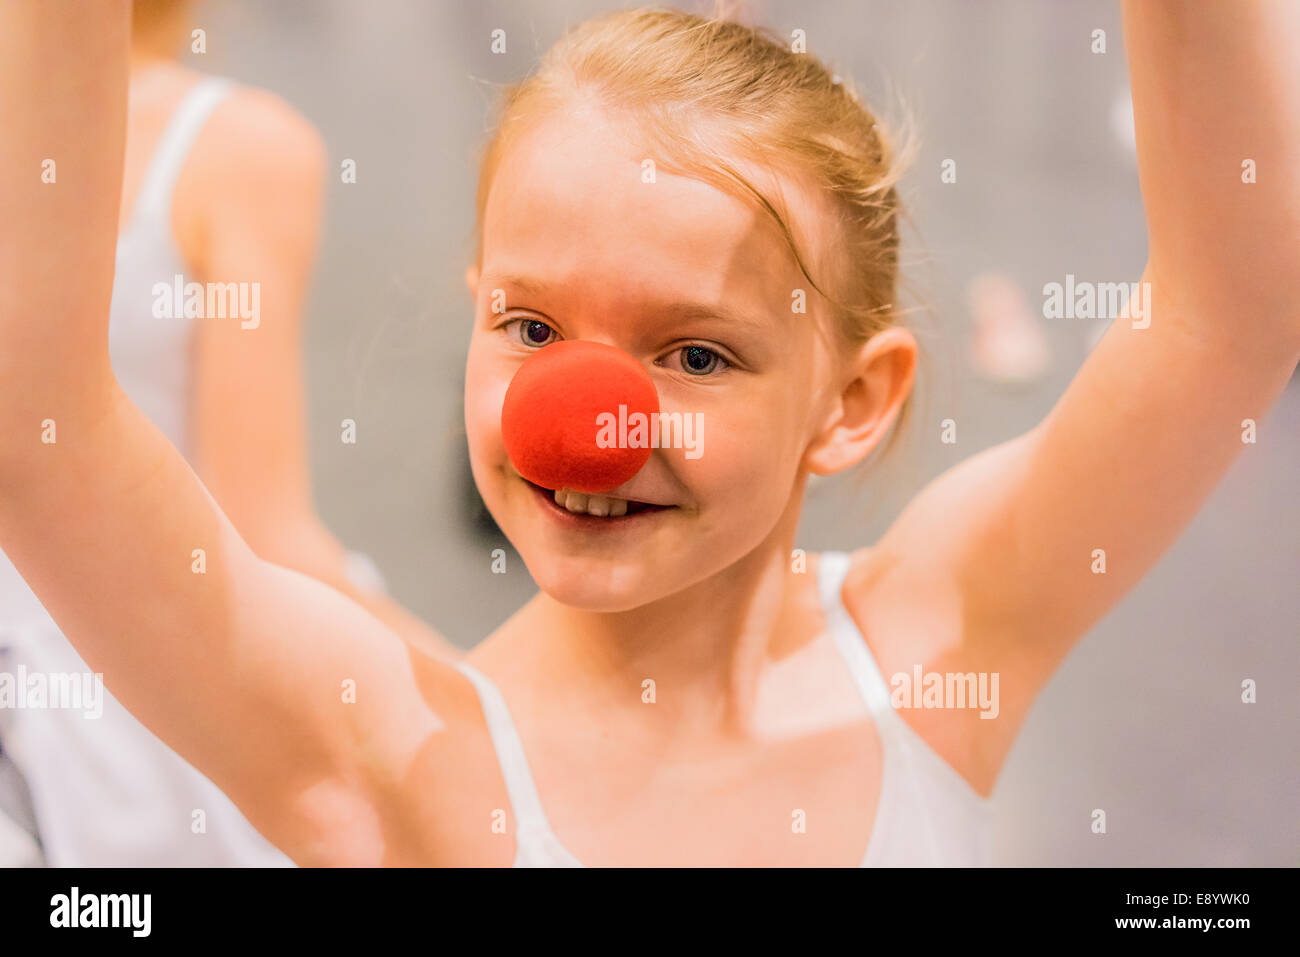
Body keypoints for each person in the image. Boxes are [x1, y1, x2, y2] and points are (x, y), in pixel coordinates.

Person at [0, 0, 1296, 866]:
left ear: (853, 401)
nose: (588, 424)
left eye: (695, 354)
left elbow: (1228, 315)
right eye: (531, 329)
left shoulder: (936, 638)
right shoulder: (407, 763)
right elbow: (38, 428)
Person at [0, 0, 452, 867]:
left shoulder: (233, 149)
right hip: (134, 698)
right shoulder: (243, 148)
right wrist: (498, 703)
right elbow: (266, 529)